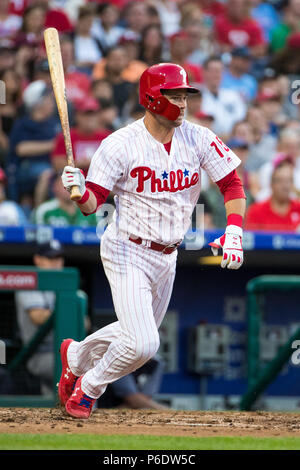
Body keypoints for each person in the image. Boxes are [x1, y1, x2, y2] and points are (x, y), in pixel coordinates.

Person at [59, 62, 246, 419]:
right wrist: (79, 191)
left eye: (185, 94)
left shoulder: (199, 137)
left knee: (135, 331)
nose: (182, 102)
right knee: (144, 343)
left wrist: (234, 230)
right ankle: (90, 387)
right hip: (127, 247)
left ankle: (76, 356)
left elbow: (231, 184)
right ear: (151, 98)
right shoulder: (119, 144)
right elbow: (92, 205)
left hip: (168, 253)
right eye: (173, 94)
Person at [15, 240, 65, 396]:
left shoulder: (66, 284)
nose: (56, 263)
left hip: (64, 351)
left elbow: (85, 323)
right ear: (38, 259)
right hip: (39, 354)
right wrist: (65, 314)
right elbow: (38, 317)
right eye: (51, 258)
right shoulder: (30, 282)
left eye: (58, 258)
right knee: (77, 369)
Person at [245, 157, 300, 232]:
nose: (285, 186)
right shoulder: (256, 211)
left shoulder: (298, 207)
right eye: (280, 181)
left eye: (289, 181)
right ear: (271, 184)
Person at [98, 356, 168, 410]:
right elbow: (132, 399)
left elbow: (145, 397)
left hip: (133, 412)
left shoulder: (157, 363)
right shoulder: (120, 360)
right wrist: (162, 409)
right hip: (108, 410)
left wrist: (138, 402)